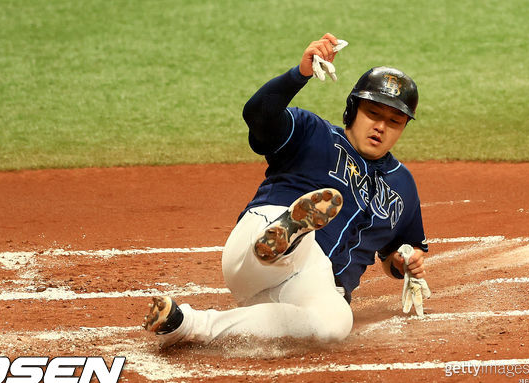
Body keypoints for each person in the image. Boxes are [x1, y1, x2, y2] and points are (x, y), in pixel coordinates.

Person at [142, 33, 428, 347]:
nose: (381, 126)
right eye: (373, 113)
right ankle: (290, 233)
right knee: (305, 237)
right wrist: (299, 74)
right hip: (253, 247)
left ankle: (185, 324)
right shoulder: (312, 132)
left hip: (307, 287)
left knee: (335, 323)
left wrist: (406, 262)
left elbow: (396, 254)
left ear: (403, 126)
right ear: (353, 108)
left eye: (394, 120)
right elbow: (257, 115)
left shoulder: (403, 186)